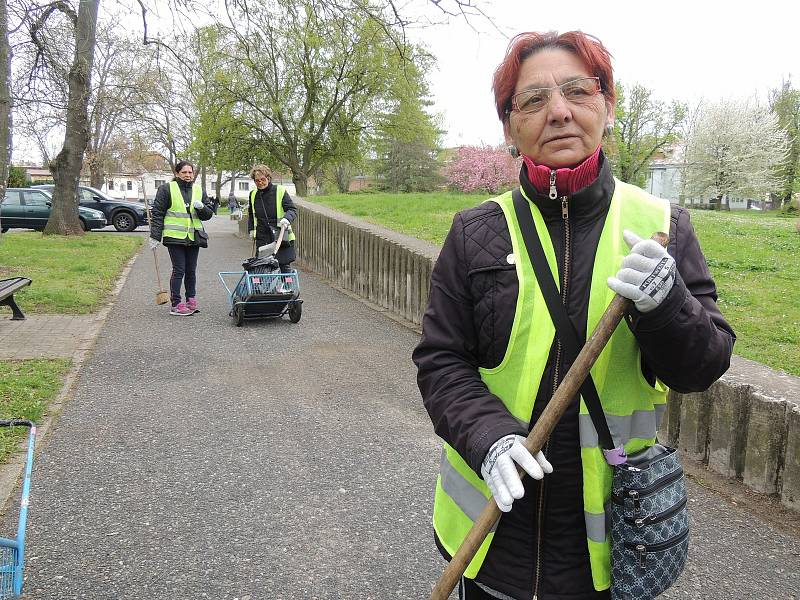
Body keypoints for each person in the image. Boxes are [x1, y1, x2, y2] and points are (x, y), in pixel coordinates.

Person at [412, 31, 735, 600]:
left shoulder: (662, 224)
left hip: (610, 539)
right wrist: (488, 439)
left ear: (606, 107)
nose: (559, 112)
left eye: (577, 92)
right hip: (492, 538)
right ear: (510, 129)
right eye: (533, 101)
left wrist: (668, 306)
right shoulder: (474, 232)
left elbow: (701, 366)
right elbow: (441, 362)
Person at [148, 160, 214, 316]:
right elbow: (158, 213)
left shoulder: (199, 190)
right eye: (184, 172)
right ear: (177, 173)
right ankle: (176, 304)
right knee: (179, 270)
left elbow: (208, 215)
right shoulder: (166, 189)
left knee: (191, 270)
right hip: (174, 237)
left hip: (194, 236)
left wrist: (202, 208)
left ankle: (191, 299)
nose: (187, 175)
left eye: (190, 172)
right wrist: (155, 236)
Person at [246, 165, 298, 273]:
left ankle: (286, 289)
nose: (260, 183)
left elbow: (292, 209)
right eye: (257, 181)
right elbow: (251, 214)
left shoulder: (279, 191)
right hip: (262, 237)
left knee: (283, 267)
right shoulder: (253, 194)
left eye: (262, 179)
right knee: (262, 268)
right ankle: (267, 290)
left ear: (268, 178)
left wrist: (287, 219)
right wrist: (251, 229)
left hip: (280, 236)